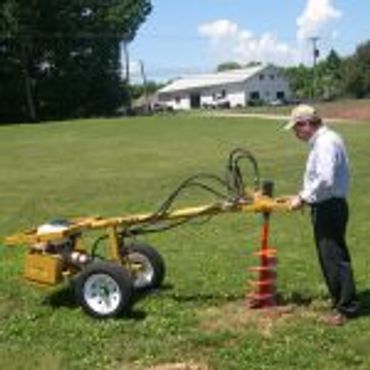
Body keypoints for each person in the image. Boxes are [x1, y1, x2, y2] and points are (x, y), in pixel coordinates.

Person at [284, 104, 359, 325]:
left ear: (306, 124)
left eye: (296, 129)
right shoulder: (325, 140)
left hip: (329, 207)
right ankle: (340, 301)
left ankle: (346, 308)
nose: (295, 134)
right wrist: (305, 194)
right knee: (331, 256)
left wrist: (303, 198)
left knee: (334, 257)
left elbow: (325, 179)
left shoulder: (325, 142)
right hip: (329, 205)